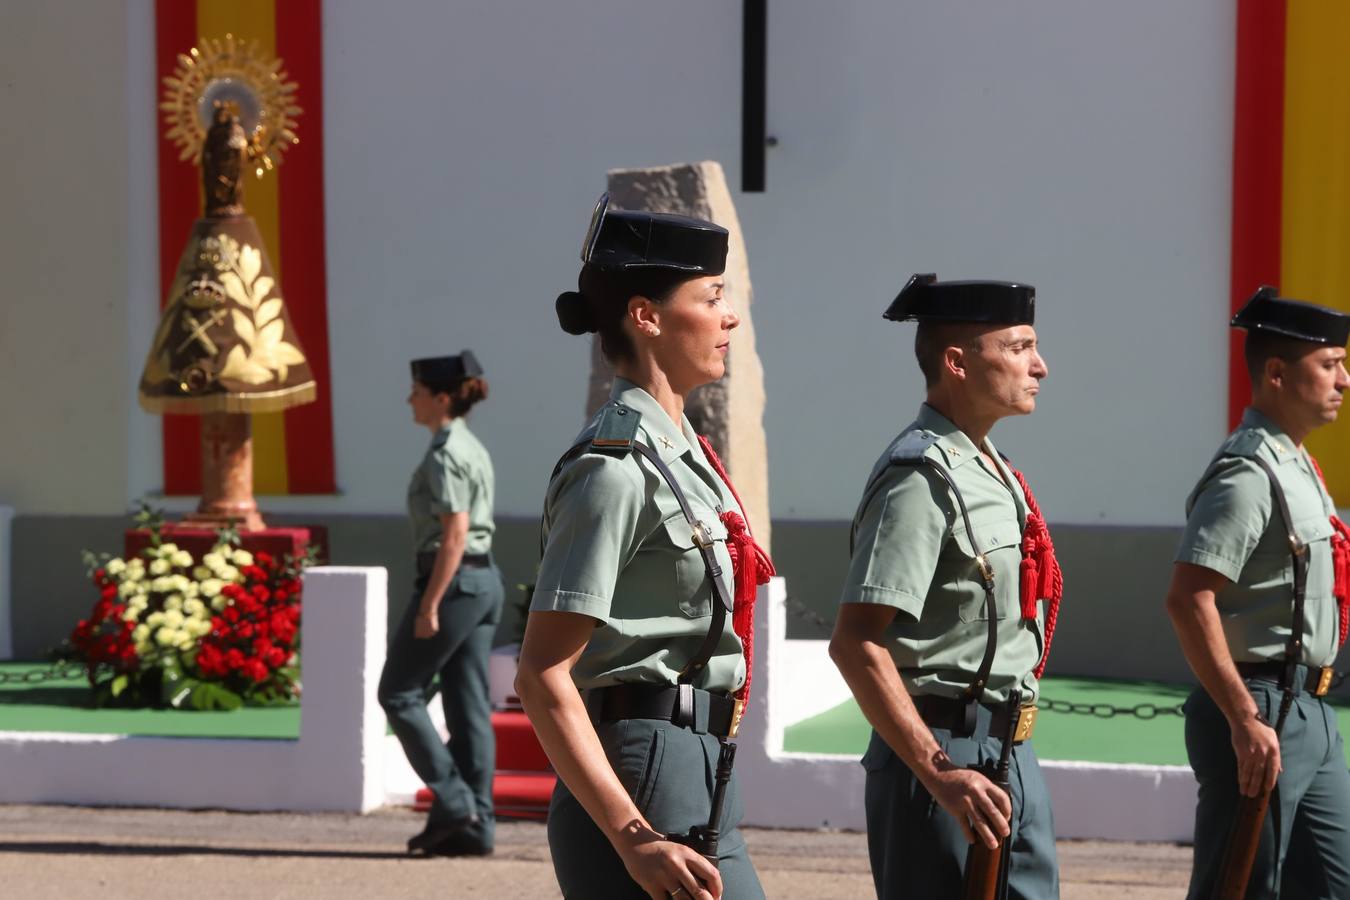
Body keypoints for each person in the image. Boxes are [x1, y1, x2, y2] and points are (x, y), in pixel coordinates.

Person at [516, 194, 773, 900]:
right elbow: (542, 673)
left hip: (697, 765)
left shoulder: (679, 453)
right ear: (647, 316)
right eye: (712, 296)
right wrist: (633, 836)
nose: (730, 317)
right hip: (641, 775)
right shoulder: (615, 468)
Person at [829, 273, 1062, 899]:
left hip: (1013, 751)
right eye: (1017, 348)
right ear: (957, 363)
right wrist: (939, 772)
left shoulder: (992, 469)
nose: (1039, 366)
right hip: (942, 757)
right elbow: (856, 643)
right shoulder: (920, 477)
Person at [1166, 286, 1350, 899]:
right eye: (1329, 364)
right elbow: (1190, 597)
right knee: (1240, 888)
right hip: (1261, 708)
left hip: (1310, 709)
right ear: (1276, 373)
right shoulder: (1249, 473)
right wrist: (1243, 716)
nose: (1343, 380)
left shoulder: (1296, 464)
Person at [378, 350, 504, 857]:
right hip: (480, 582)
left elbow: (453, 534)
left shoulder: (447, 452)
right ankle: (475, 827)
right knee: (467, 703)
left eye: (418, 391)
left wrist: (430, 604)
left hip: (452, 583)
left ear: (442, 398)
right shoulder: (467, 446)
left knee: (400, 693)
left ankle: (455, 802)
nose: (410, 399)